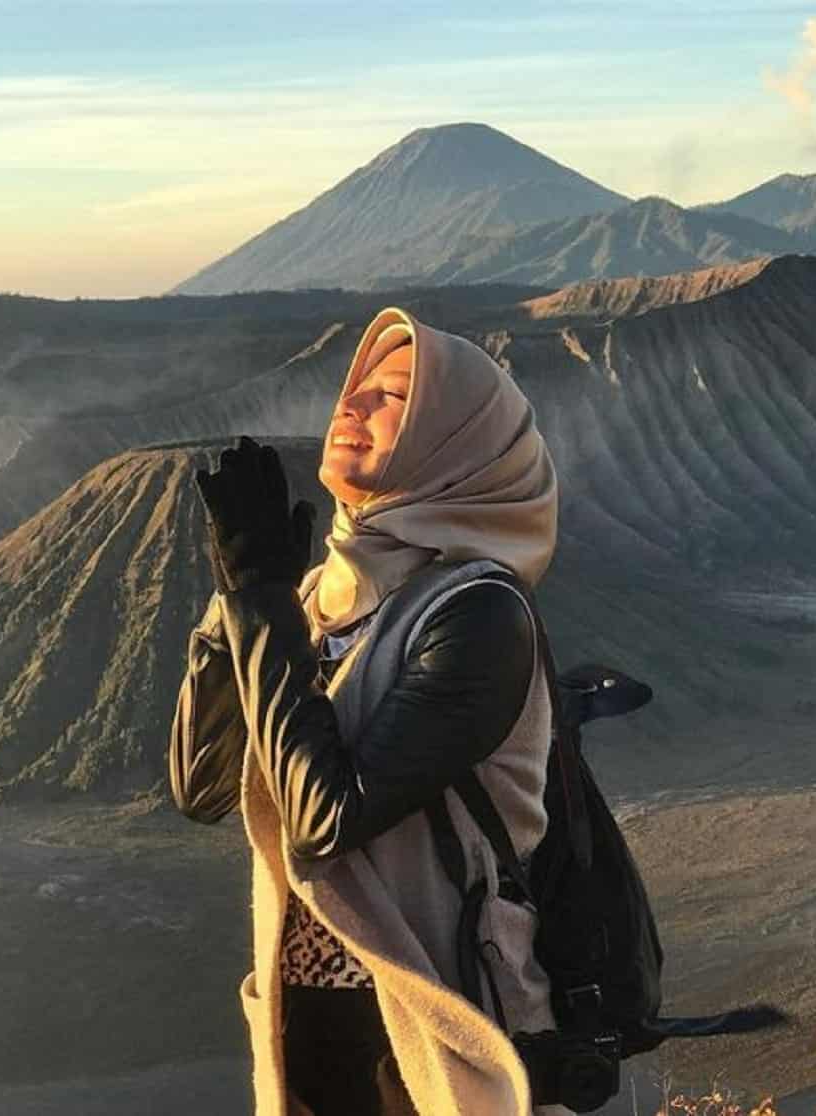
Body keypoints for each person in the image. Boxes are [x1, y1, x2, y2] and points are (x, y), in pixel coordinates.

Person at [170, 306, 564, 1116]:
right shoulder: (319, 595)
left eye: (391, 398)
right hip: (312, 1024)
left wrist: (262, 605)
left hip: (428, 1021)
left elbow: (325, 821)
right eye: (354, 390)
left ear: (450, 442)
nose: (349, 407)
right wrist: (235, 603)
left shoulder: (479, 614)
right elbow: (199, 785)